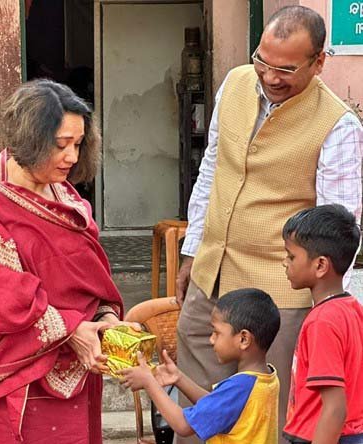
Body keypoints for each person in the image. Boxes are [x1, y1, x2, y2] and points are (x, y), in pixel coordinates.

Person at [175, 6, 363, 443]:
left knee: (266, 416)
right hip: (212, 275)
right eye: (263, 61)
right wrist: (192, 251)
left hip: (278, 299)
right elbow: (211, 171)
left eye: (286, 69)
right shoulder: (236, 84)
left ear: (319, 63)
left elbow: (338, 232)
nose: (269, 76)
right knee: (197, 410)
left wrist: (329, 311)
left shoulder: (338, 125)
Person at [0, 79, 134, 444]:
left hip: (74, 377)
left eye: (79, 144)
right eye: (61, 145)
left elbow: (92, 281)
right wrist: (70, 328)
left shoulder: (66, 196)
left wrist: (105, 319)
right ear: (29, 139)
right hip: (11, 379)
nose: (72, 157)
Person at [120, 288, 281, 443]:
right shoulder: (267, 378)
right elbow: (215, 406)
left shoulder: (239, 387)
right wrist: (179, 378)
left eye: (216, 332)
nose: (211, 339)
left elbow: (183, 425)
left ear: (244, 339)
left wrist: (149, 383)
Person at [281, 205, 363, 444]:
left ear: (320, 266)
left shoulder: (321, 322)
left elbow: (335, 409)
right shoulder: (351, 309)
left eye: (291, 256)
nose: (285, 262)